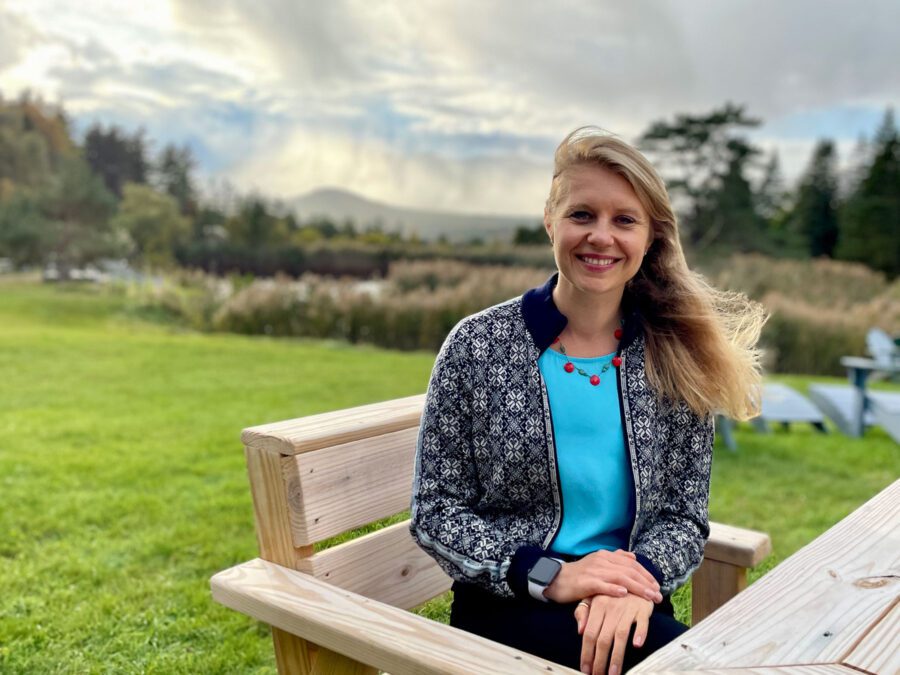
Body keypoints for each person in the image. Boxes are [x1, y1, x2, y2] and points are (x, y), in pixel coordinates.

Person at [410, 127, 765, 675]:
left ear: (650, 239)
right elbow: (437, 511)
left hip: (633, 603)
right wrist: (551, 575)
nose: (601, 236)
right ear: (550, 220)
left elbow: (682, 516)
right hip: (509, 606)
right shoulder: (478, 346)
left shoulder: (677, 355)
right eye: (582, 215)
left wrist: (634, 584)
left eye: (624, 220)